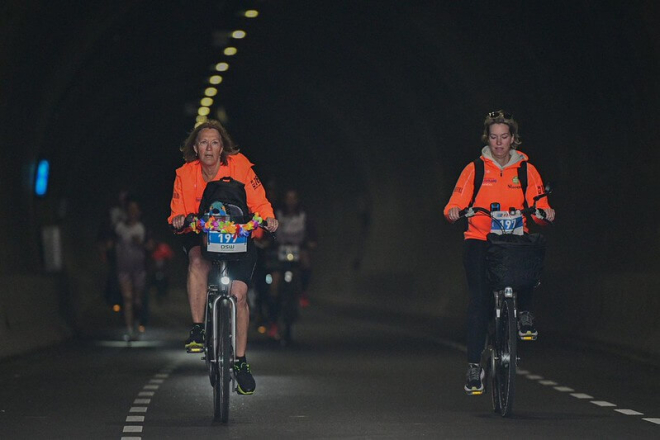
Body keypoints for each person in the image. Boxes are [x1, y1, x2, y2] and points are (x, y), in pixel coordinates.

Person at [444, 110, 555, 395]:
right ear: (487, 139)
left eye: (504, 137)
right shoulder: (475, 169)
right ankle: (474, 367)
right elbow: (455, 202)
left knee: (530, 256)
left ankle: (525, 313)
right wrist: (454, 211)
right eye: (494, 137)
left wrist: (545, 213)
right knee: (480, 300)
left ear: (513, 138)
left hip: (513, 238)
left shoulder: (526, 170)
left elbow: (539, 205)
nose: (499, 143)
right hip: (480, 239)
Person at [168, 119, 278, 395]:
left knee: (239, 295)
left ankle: (240, 362)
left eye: (214, 142)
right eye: (203, 142)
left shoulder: (240, 166)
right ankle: (198, 328)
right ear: (195, 148)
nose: (209, 148)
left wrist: (269, 218)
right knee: (197, 261)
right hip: (201, 233)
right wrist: (179, 219)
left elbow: (259, 200)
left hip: (237, 235)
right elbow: (177, 208)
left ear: (222, 148)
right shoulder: (185, 174)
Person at [265, 188, 317, 340]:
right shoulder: (277, 214)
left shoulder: (303, 215)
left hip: (297, 249)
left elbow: (312, 232)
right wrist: (268, 241)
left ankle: (303, 292)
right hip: (279, 251)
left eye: (293, 198)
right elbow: (269, 230)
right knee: (274, 284)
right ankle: (273, 321)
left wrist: (311, 242)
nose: (291, 201)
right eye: (288, 198)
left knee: (305, 260)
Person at [115, 198, 147, 341]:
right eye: (130, 209)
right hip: (123, 268)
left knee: (137, 300)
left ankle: (137, 323)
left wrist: (140, 243)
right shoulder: (120, 228)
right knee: (127, 298)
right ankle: (129, 329)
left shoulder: (141, 228)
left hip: (138, 269)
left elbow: (150, 246)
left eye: (135, 209)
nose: (132, 212)